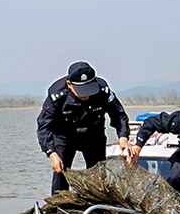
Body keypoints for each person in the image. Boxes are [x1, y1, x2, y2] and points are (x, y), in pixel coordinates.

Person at [37, 61, 131, 194]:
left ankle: (96, 209)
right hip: (64, 136)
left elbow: (119, 115)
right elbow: (43, 127)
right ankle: (58, 211)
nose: (86, 95)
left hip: (93, 135)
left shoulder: (102, 90)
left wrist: (123, 137)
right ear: (69, 84)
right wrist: (51, 153)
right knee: (60, 172)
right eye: (81, 91)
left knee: (98, 177)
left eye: (89, 89)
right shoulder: (57, 95)